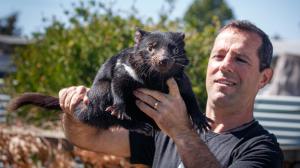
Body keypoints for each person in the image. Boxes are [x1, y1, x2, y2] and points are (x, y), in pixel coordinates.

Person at [59, 20, 283, 168]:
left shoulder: (262, 150)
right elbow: (88, 138)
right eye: (218, 56)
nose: (225, 66)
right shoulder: (162, 123)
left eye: (240, 59)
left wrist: (181, 131)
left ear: (263, 78)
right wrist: (72, 110)